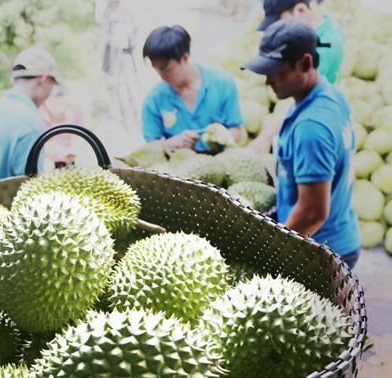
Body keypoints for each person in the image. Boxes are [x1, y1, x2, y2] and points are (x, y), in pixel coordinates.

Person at [242, 19, 361, 269]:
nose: (268, 82)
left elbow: (312, 212)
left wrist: (271, 253)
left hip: (321, 250)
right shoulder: (329, 94)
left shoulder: (311, 128)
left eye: (276, 72)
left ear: (305, 63)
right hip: (340, 232)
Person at [248, 0, 346, 154]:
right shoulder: (324, 25)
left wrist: (267, 135)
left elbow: (306, 96)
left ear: (300, 10)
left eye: (282, 22)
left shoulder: (326, 48)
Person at [141, 25, 244, 154]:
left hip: (218, 160)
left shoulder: (222, 83)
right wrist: (173, 143)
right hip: (177, 166)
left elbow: (236, 130)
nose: (161, 75)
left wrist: (218, 138)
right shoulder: (153, 99)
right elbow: (150, 146)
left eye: (167, 69)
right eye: (156, 69)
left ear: (185, 57)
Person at [0, 47, 59, 182]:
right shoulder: (29, 121)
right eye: (52, 84)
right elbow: (31, 189)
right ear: (44, 80)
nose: (50, 92)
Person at [38, 84, 82, 168]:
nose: (59, 111)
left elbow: (78, 136)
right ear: (45, 103)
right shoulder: (38, 115)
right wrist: (57, 150)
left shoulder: (75, 111)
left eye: (62, 105)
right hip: (47, 162)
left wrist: (74, 149)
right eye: (55, 106)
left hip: (70, 159)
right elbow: (39, 143)